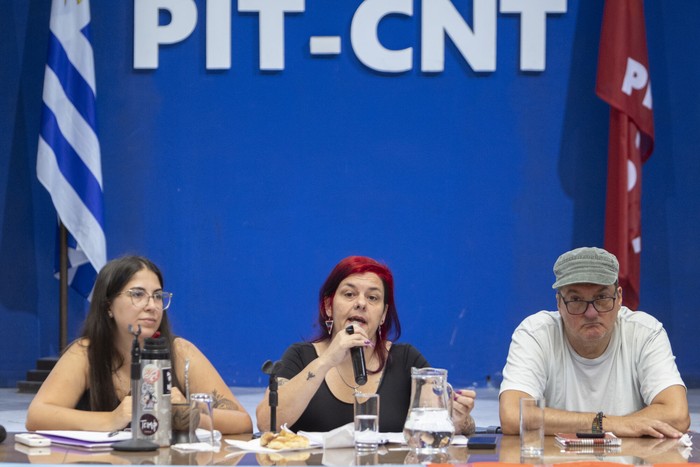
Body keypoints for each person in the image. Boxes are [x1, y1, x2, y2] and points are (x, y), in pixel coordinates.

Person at [26, 255, 252, 434]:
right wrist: (112, 418)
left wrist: (192, 415)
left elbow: (242, 422)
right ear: (108, 306)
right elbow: (37, 416)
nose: (151, 306)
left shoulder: (180, 351)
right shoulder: (86, 353)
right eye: (138, 294)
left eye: (157, 296)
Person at [255, 255, 476, 434]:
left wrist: (458, 419)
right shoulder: (301, 357)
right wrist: (325, 361)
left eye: (373, 298)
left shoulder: (405, 360)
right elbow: (267, 423)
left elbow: (449, 424)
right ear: (328, 307)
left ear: (383, 314)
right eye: (349, 294)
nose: (361, 303)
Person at [499, 247, 690, 438]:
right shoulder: (536, 334)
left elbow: (677, 415)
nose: (591, 313)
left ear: (620, 298)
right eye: (576, 300)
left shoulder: (645, 332)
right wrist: (612, 424)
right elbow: (513, 415)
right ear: (559, 303)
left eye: (602, 298)